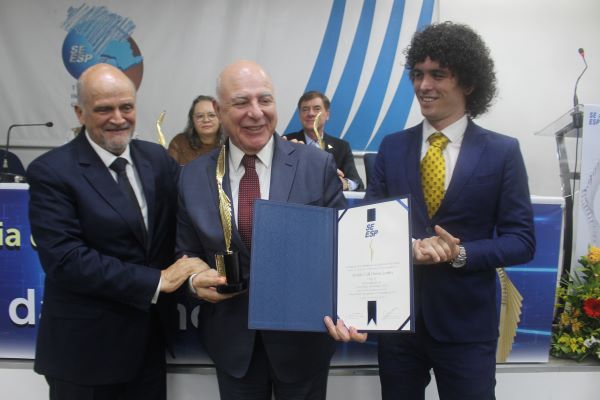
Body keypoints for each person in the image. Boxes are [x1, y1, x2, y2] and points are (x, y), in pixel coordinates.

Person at [27, 63, 223, 400]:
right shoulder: (51, 171)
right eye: (104, 109)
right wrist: (157, 281)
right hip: (83, 354)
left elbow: (185, 225)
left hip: (148, 348)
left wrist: (195, 275)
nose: (118, 118)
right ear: (80, 112)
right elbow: (66, 260)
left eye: (126, 107)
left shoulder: (157, 160)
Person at [365, 22, 536, 399]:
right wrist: (408, 248)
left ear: (469, 82)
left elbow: (521, 241)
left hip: (467, 327)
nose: (423, 85)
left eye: (438, 74)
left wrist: (460, 253)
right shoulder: (392, 147)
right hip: (399, 323)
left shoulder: (502, 152)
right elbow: (367, 227)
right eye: (418, 74)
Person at [176, 60, 346, 400]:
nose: (256, 112)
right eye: (241, 102)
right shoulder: (192, 176)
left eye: (265, 100)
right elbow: (185, 252)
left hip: (304, 343)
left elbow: (343, 248)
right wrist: (195, 281)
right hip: (232, 345)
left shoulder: (317, 166)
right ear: (219, 111)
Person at [284, 91, 364, 191]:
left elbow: (357, 183)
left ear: (327, 115)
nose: (311, 113)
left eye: (317, 109)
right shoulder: (287, 143)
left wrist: (343, 183)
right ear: (300, 115)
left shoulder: (341, 147)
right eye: (305, 109)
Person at [168, 94, 222, 165]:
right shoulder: (179, 142)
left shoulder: (230, 142)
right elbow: (169, 170)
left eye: (211, 115)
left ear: (220, 117)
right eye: (200, 116)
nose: (206, 120)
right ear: (192, 120)